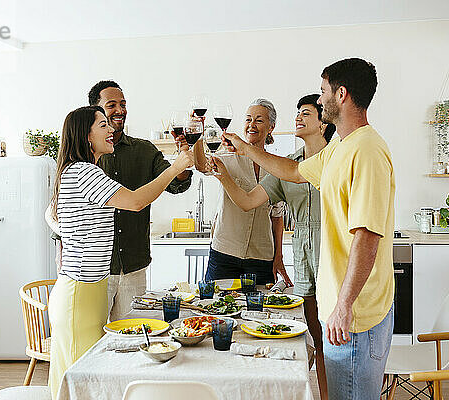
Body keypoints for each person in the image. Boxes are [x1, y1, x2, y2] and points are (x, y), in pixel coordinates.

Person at [222, 58, 394, 400]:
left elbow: (367, 236)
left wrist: (343, 306)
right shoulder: (340, 149)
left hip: (356, 317)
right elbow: (293, 170)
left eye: (323, 91)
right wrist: (243, 148)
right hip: (340, 311)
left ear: (340, 94)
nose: (319, 99)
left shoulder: (368, 150)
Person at [46, 106, 193, 398]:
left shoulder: (78, 171)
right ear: (86, 136)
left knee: (79, 379)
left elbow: (54, 215)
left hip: (85, 290)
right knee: (79, 381)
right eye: (102, 125)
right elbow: (137, 201)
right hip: (80, 294)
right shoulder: (84, 171)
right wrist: (174, 168)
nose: (111, 129)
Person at [211, 94, 335, 399]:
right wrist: (223, 173)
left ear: (323, 123)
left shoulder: (337, 159)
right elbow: (247, 201)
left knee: (336, 346)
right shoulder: (288, 165)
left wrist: (276, 257)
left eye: (305, 113)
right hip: (306, 267)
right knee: (317, 342)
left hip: (333, 264)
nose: (298, 117)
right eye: (298, 112)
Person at [88, 80, 193, 322]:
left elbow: (177, 183)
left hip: (134, 267)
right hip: (97, 270)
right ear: (95, 110)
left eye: (123, 104)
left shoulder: (144, 150)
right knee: (94, 343)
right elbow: (66, 207)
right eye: (111, 104)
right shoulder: (86, 156)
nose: (120, 110)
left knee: (133, 338)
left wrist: (183, 162)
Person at [194, 99, 288, 286]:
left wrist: (278, 257)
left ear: (271, 127)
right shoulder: (227, 156)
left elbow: (277, 217)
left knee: (259, 311)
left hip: (261, 256)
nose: (251, 125)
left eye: (259, 120)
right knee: (215, 308)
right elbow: (200, 165)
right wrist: (197, 133)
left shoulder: (276, 166)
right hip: (224, 253)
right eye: (248, 119)